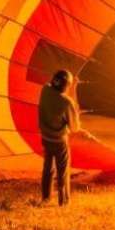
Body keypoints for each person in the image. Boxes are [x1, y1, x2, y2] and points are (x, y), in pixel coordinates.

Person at [38, 69, 81, 206]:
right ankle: (64, 202)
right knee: (62, 171)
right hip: (59, 141)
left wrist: (70, 85)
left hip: (45, 138)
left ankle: (46, 198)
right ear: (65, 85)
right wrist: (74, 88)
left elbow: (56, 90)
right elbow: (75, 127)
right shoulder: (66, 102)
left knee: (48, 168)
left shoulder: (45, 90)